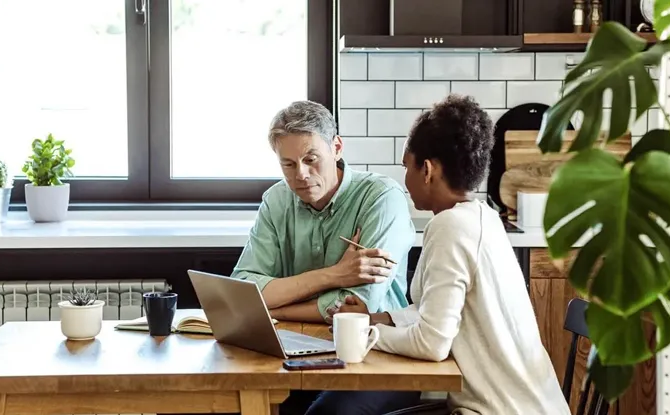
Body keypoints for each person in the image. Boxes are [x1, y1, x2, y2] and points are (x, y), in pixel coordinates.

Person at [334, 94, 571, 415]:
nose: (405, 180)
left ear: (427, 170)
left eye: (407, 166)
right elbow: (437, 310)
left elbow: (431, 344)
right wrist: (380, 318)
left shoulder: (451, 227)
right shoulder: (481, 216)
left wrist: (367, 334)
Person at [230, 100, 423, 414]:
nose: (301, 175)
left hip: (380, 355)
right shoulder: (276, 200)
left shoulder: (381, 198)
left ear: (337, 147)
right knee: (223, 402)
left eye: (311, 159)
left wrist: (274, 304)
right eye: (288, 164)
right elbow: (244, 290)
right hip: (296, 353)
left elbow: (357, 308)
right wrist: (335, 274)